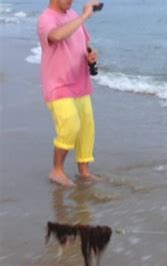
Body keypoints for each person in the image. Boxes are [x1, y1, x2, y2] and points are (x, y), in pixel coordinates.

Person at [38, 0, 101, 187]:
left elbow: (83, 44)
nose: (70, 0)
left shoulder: (72, 16)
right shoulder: (46, 18)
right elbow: (56, 36)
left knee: (86, 128)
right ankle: (57, 170)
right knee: (70, 125)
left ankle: (84, 171)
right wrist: (84, 16)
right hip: (58, 85)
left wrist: (90, 56)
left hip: (80, 82)